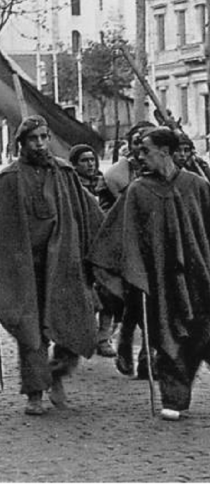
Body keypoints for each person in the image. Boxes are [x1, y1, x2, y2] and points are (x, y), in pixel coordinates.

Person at [0, 116, 101, 415]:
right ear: (22, 143)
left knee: (75, 321)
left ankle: (56, 371)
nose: (41, 144)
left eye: (44, 137)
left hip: (65, 264)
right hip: (24, 267)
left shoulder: (65, 173)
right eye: (34, 139)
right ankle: (34, 392)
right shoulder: (8, 179)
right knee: (31, 332)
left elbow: (88, 213)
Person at [89, 127, 210, 421]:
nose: (139, 156)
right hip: (159, 281)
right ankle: (174, 397)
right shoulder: (138, 191)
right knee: (167, 336)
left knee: (204, 334)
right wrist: (132, 270)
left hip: (199, 278)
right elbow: (120, 234)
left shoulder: (196, 185)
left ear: (164, 152)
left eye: (146, 150)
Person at [99, 121, 157, 379]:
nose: (141, 150)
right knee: (134, 304)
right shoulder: (118, 176)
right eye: (137, 143)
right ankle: (125, 344)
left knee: (157, 308)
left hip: (159, 251)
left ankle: (148, 356)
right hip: (128, 249)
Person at [69, 144, 119, 358]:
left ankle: (103, 336)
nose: (90, 164)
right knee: (81, 294)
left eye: (92, 160)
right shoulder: (69, 187)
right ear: (74, 165)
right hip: (78, 247)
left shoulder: (105, 184)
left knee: (109, 291)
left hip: (104, 246)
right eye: (84, 161)